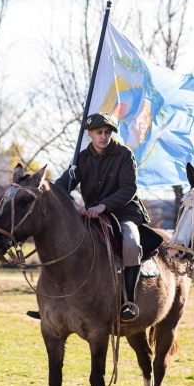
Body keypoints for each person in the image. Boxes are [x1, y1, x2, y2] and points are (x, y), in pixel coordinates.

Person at [54, 112, 151, 322]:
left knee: (132, 244)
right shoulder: (80, 158)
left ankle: (128, 302)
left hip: (124, 212)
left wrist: (103, 206)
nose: (104, 137)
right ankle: (57, 301)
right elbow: (60, 186)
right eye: (99, 132)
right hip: (91, 215)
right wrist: (73, 205)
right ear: (90, 134)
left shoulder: (124, 154)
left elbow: (129, 188)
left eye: (107, 133)